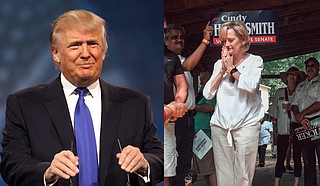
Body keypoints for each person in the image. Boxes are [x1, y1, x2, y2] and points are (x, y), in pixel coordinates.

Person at [0, 10, 163, 186]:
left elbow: (158, 158)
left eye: (93, 44)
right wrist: (46, 173)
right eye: (75, 45)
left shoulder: (135, 103)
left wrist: (145, 164)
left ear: (103, 51)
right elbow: (12, 164)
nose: (85, 53)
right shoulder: (24, 105)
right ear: (56, 54)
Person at [203, 20, 264, 186]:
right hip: (220, 126)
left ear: (243, 39)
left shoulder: (255, 61)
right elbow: (207, 93)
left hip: (246, 125)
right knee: (223, 176)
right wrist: (222, 71)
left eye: (231, 40)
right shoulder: (218, 64)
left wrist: (232, 70)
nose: (227, 44)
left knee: (243, 176)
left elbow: (251, 86)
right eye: (223, 41)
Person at [164, 22, 213, 186]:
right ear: (165, 41)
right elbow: (188, 66)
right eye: (174, 37)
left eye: (181, 37)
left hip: (189, 116)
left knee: (185, 160)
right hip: (174, 116)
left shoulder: (181, 58)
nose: (179, 40)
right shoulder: (168, 60)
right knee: (172, 159)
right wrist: (205, 41)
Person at [270, 66, 306, 186]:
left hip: (297, 127)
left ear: (297, 78)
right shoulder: (280, 92)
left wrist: (292, 108)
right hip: (282, 129)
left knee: (297, 156)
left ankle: (296, 183)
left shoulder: (301, 92)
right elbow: (274, 111)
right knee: (280, 157)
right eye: (290, 74)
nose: (292, 76)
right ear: (286, 77)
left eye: (294, 74)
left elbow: (304, 109)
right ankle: (276, 183)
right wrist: (274, 128)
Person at [164, 19, 188, 186]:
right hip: (138, 115)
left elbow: (181, 85)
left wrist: (176, 105)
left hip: (166, 117)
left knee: (166, 167)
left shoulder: (171, 57)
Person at [291, 57, 320, 186]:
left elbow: (319, 103)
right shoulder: (301, 85)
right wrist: (299, 116)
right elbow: (294, 103)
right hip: (304, 125)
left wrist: (302, 114)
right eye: (308, 65)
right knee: (308, 161)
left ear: (318, 67)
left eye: (312, 65)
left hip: (318, 123)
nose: (310, 67)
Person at [192, 71, 217, 186]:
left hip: (206, 133)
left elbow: (209, 107)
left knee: (210, 167)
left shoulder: (212, 93)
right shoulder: (201, 93)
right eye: (200, 79)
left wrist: (192, 106)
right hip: (198, 132)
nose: (201, 81)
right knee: (204, 169)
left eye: (204, 79)